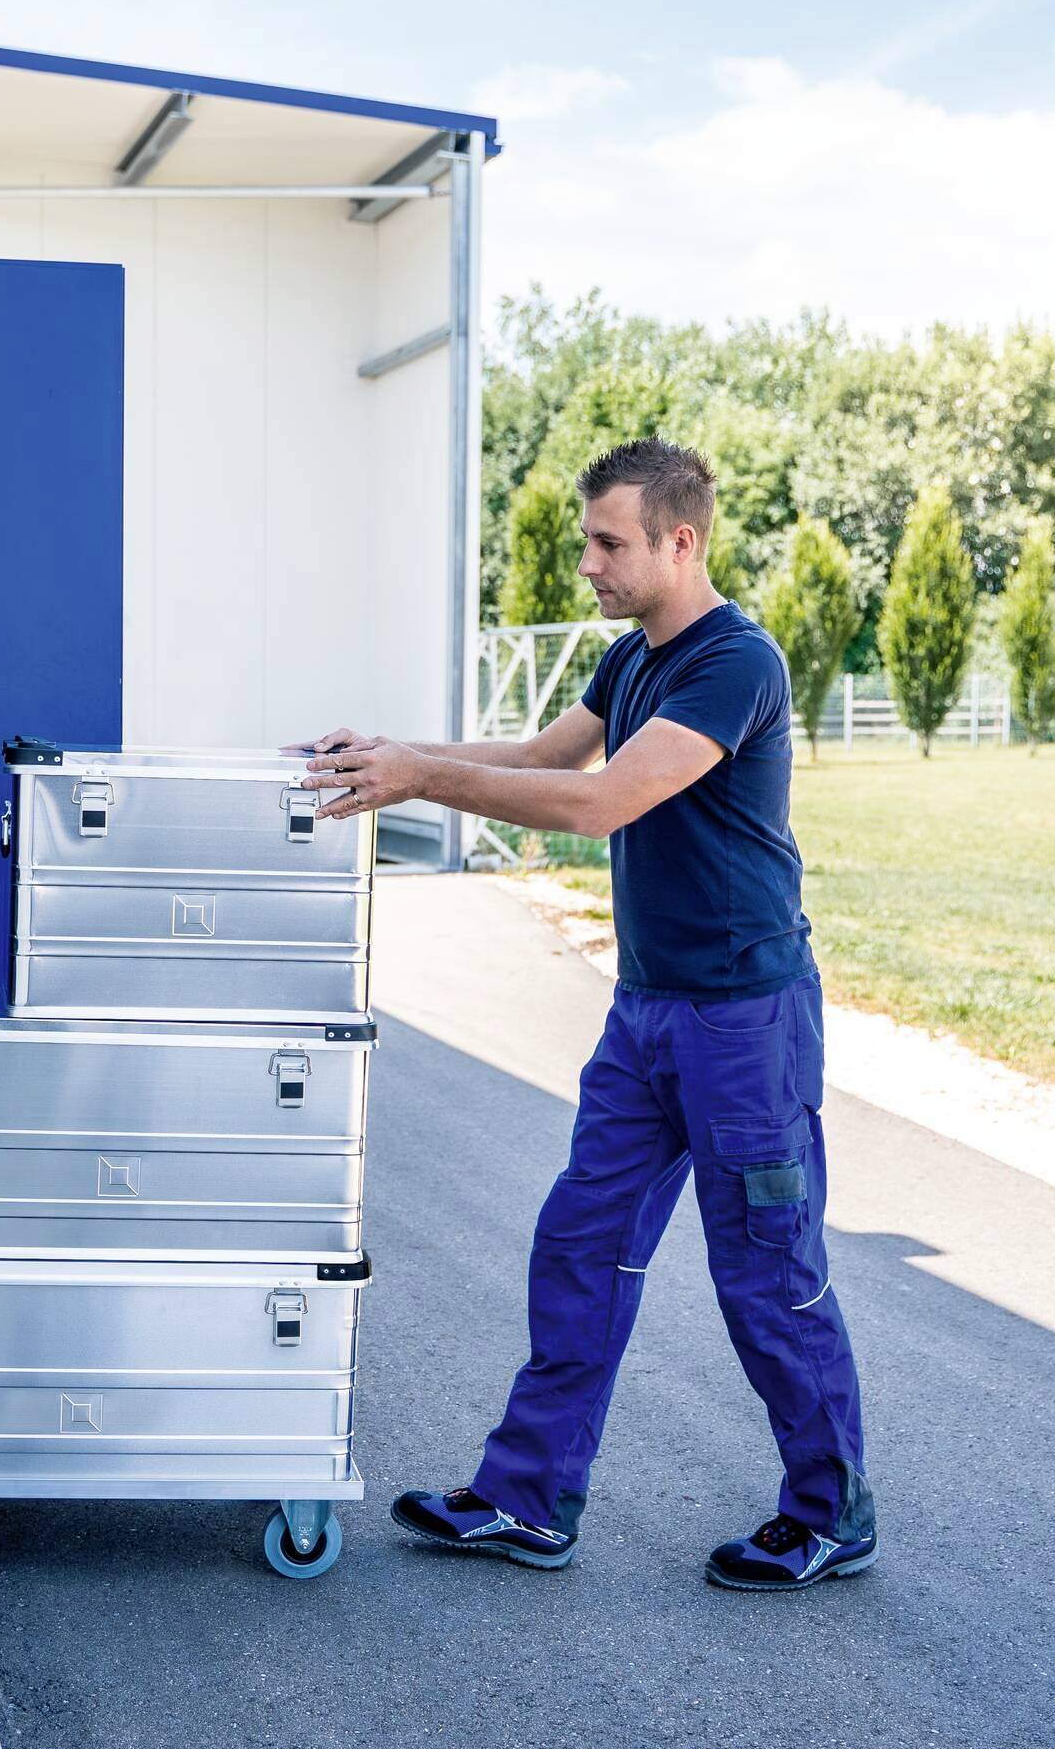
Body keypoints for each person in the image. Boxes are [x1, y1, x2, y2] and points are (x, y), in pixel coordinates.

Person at [291, 437, 875, 1591]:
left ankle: (829, 1508)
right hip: (648, 1012)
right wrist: (389, 755)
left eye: (610, 542)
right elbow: (535, 754)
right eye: (589, 540)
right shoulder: (630, 661)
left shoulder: (735, 663)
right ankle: (528, 1496)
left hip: (744, 1024)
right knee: (580, 1242)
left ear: (680, 539)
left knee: (764, 1266)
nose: (589, 563)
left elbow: (603, 800)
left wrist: (420, 780)